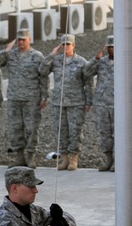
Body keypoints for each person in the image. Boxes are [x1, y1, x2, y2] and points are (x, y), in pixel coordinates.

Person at [0, 30, 47, 167]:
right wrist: (6, 50)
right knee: (15, 128)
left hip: (32, 98)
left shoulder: (37, 56)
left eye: (23, 39)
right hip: (14, 98)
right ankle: (19, 157)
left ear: (30, 39)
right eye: (19, 40)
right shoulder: (11, 55)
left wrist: (45, 96)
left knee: (31, 128)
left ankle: (30, 156)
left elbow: (44, 77)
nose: (21, 42)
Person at [84, 34, 132, 172]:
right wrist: (96, 58)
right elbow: (86, 73)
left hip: (119, 104)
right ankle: (109, 159)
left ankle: (118, 161)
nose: (112, 49)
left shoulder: (126, 63)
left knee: (119, 133)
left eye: (114, 47)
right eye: (109, 47)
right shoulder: (101, 62)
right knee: (104, 133)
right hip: (102, 103)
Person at [37, 33, 92, 171]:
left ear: (74, 46)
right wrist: (52, 54)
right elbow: (42, 71)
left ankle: (74, 157)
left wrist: (89, 101)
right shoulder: (56, 60)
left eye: (68, 44)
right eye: (64, 44)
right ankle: (64, 157)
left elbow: (89, 82)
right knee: (61, 130)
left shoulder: (81, 62)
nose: (66, 47)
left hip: (76, 102)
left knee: (75, 131)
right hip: (59, 102)